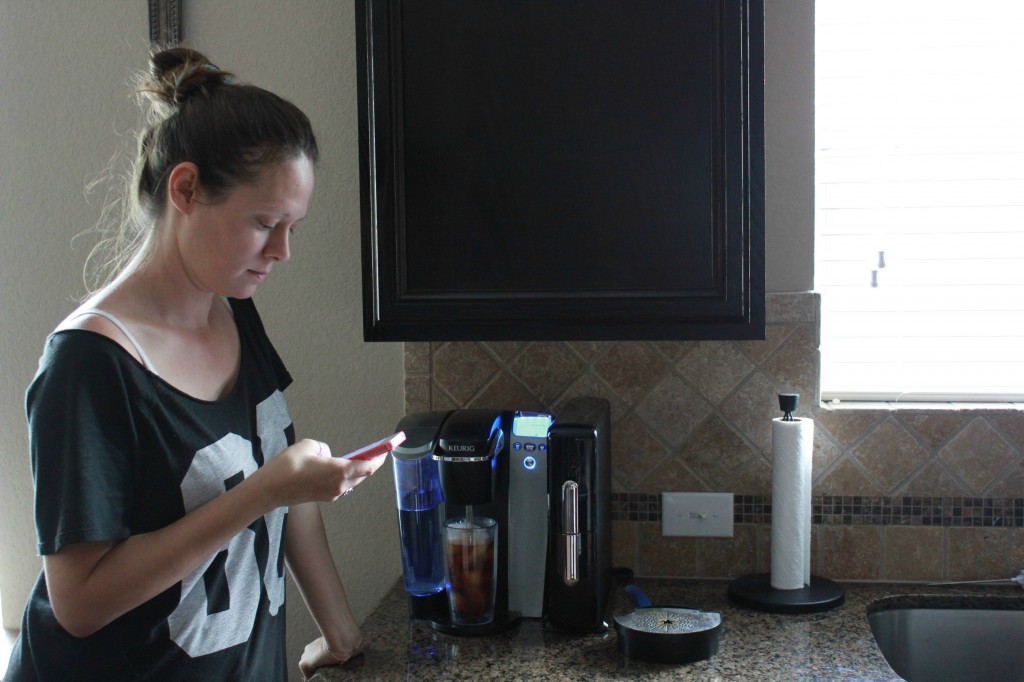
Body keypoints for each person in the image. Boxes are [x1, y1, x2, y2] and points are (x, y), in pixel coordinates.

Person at [3, 47, 381, 681]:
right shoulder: (88, 364)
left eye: (293, 226)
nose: (282, 251)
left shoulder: (234, 307)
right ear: (185, 189)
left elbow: (280, 475)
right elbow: (78, 602)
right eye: (263, 223)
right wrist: (263, 493)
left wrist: (339, 630)